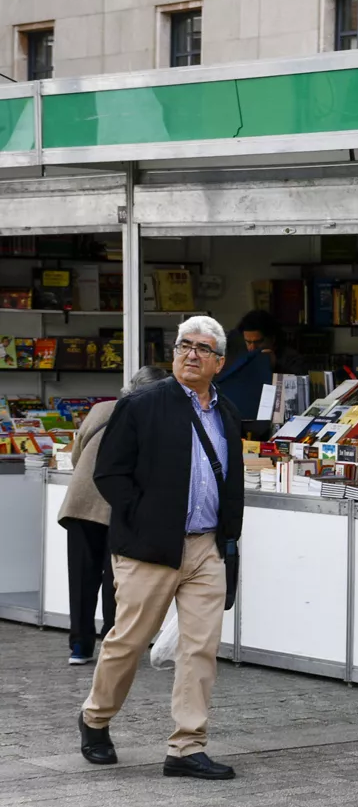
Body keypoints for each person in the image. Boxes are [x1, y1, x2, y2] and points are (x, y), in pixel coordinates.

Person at [77, 316, 245, 781]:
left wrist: (229, 536)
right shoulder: (143, 404)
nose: (191, 354)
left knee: (200, 650)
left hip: (206, 547)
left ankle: (187, 747)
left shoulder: (227, 412)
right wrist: (143, 517)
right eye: (184, 345)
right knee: (127, 642)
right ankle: (95, 718)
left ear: (219, 362)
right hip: (148, 549)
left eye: (203, 348)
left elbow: (232, 480)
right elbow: (109, 472)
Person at [57, 365, 171, 665]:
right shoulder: (150, 418)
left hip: (80, 503)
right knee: (116, 579)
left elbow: (76, 453)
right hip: (115, 507)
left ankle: (80, 647)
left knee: (81, 577)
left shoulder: (101, 409)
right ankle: (112, 642)